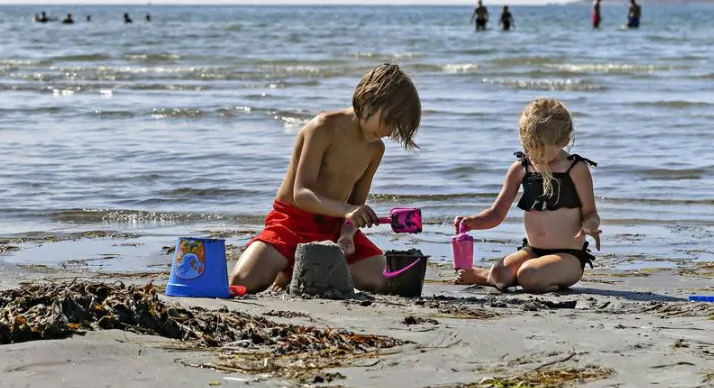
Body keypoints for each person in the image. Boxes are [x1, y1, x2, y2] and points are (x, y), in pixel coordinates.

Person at [229, 63, 421, 294]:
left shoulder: (375, 149)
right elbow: (302, 194)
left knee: (388, 283)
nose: (389, 132)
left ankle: (311, 270)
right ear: (370, 98)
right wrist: (347, 211)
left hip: (334, 227)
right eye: (389, 122)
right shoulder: (323, 128)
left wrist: (347, 234)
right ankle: (290, 269)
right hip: (292, 222)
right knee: (242, 281)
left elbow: (355, 206)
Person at [454, 98, 600, 294]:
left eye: (540, 149)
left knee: (528, 275)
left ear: (563, 141)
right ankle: (488, 275)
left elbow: (591, 212)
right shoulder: (521, 168)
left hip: (569, 257)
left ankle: (536, 277)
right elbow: (496, 213)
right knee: (500, 273)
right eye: (529, 147)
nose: (534, 155)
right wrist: (473, 222)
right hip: (532, 251)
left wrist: (590, 226)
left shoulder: (575, 168)